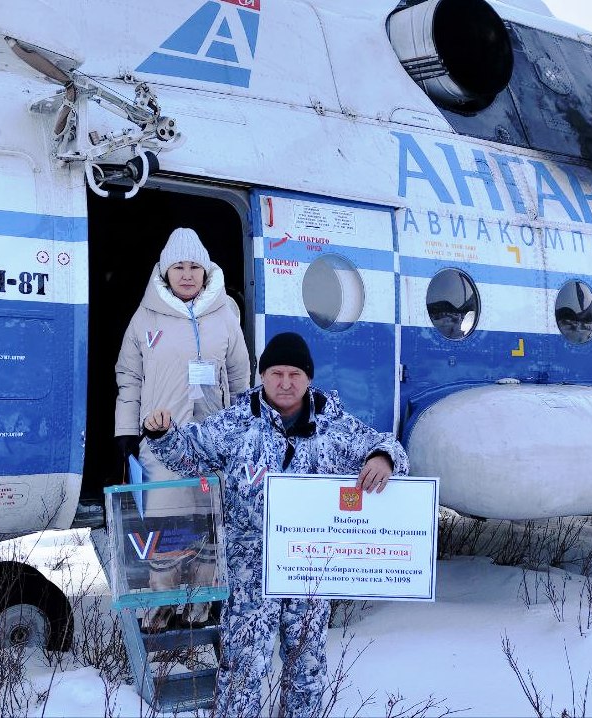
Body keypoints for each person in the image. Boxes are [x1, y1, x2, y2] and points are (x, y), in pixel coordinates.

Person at [141, 331, 409, 718]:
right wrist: (162, 433)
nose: (285, 383)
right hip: (252, 569)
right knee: (243, 670)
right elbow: (189, 452)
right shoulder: (238, 423)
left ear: (308, 377)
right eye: (276, 373)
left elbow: (388, 447)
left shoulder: (333, 426)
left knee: (306, 669)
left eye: (294, 374)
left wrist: (383, 458)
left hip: (311, 569)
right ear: (262, 375)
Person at [114, 226, 251, 631]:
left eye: (195, 266)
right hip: (161, 441)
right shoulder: (145, 317)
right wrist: (126, 431)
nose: (187, 274)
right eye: (179, 267)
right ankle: (161, 602)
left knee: (208, 522)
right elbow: (129, 377)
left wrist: (244, 432)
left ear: (206, 272)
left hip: (213, 440)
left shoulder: (225, 313)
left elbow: (241, 376)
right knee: (166, 523)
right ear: (165, 272)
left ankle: (202, 603)